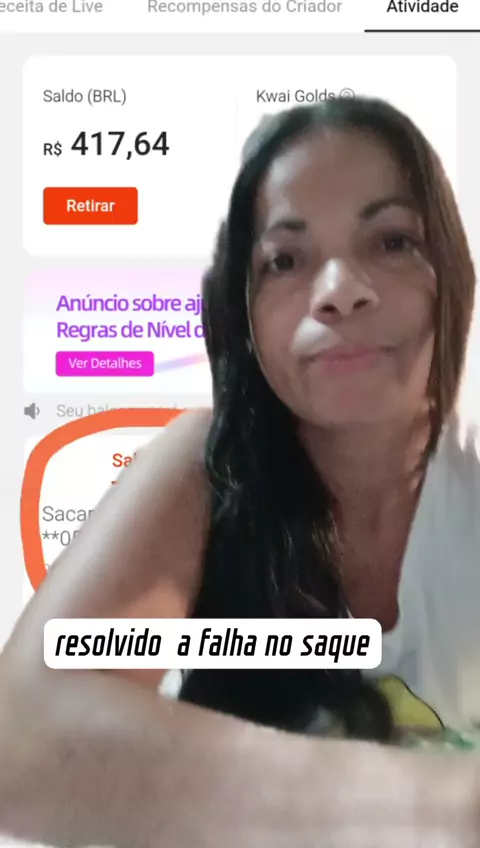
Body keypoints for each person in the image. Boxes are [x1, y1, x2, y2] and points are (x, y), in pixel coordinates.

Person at [1, 96, 479, 847]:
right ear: (244, 315)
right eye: (284, 260)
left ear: (450, 276)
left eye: (392, 241)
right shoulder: (207, 467)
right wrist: (444, 809)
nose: (339, 289)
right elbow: (23, 742)